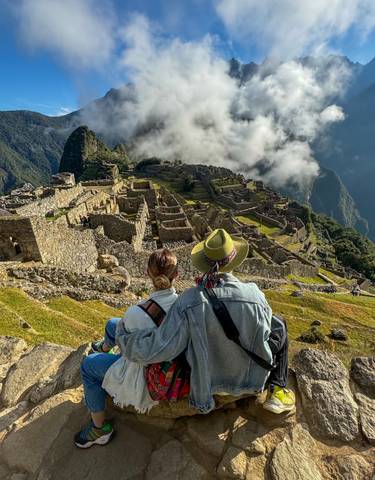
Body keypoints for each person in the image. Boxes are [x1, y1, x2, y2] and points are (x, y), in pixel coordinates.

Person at [118, 229, 295, 416]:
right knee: (279, 325)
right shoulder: (255, 295)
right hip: (252, 381)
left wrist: (123, 338)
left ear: (204, 263)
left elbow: (160, 348)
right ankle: (278, 389)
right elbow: (266, 332)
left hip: (209, 385)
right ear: (234, 260)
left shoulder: (188, 302)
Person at [74, 249, 179, 448]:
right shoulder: (183, 304)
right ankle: (104, 347)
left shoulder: (137, 312)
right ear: (177, 275)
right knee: (112, 323)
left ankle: (99, 429)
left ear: (148, 273)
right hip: (166, 355)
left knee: (88, 366)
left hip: (146, 372)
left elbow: (127, 341)